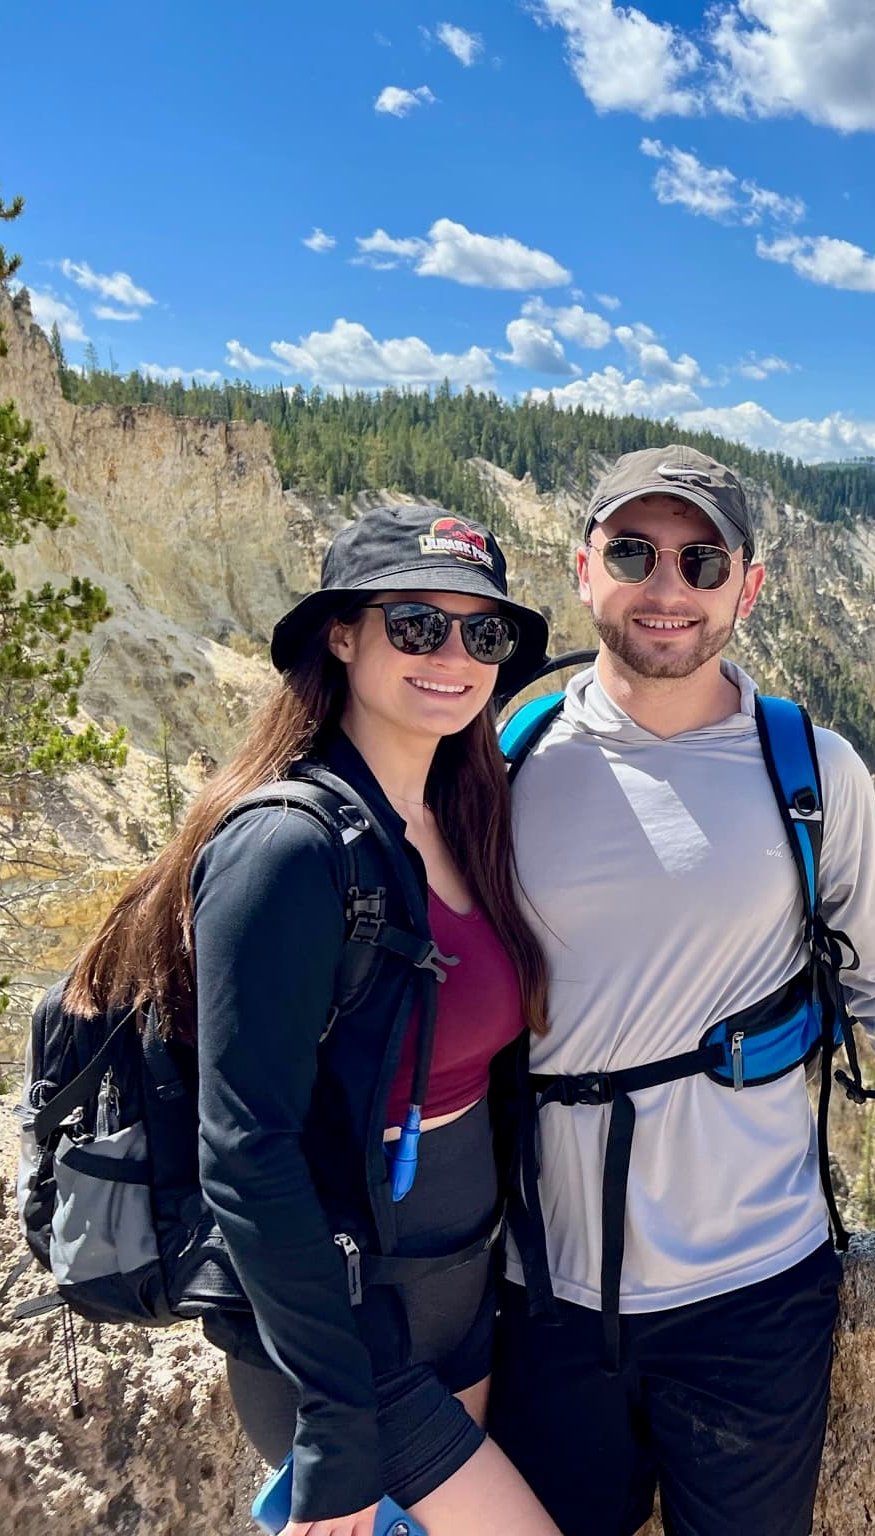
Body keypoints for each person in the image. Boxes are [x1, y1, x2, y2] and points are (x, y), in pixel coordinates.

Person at [488, 446, 875, 1536]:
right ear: (583, 569)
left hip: (756, 1295)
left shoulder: (811, 772)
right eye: (633, 552)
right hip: (543, 1296)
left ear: (748, 585)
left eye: (701, 558)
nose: (667, 586)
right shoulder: (504, 763)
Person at [64, 506, 563, 1536]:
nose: (454, 656)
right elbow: (245, 1152)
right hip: (345, 1333)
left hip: (456, 1302)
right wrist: (336, 1424)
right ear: (341, 634)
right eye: (417, 625)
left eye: (483, 633)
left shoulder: (462, 815)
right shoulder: (287, 849)